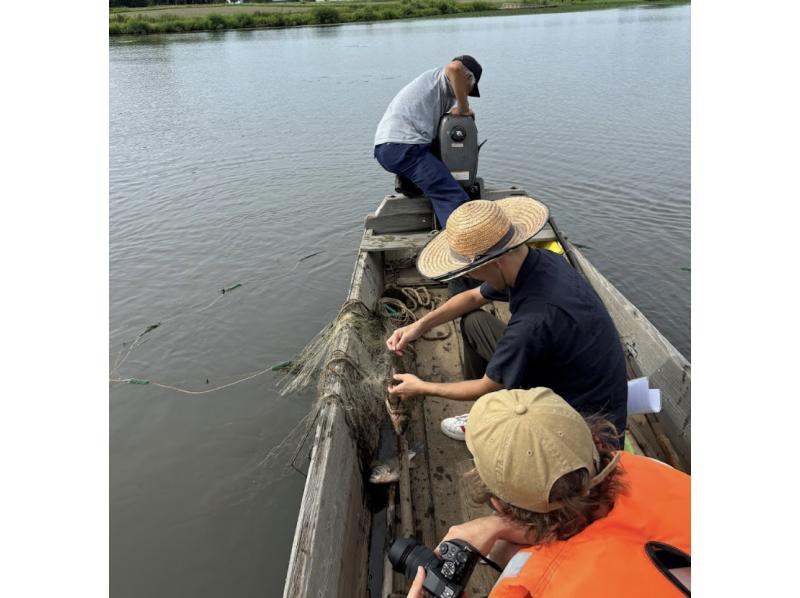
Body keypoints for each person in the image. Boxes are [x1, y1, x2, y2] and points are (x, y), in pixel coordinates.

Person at [406, 388, 691, 598]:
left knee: (503, 550)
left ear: (500, 504)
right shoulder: (645, 467)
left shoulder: (529, 586)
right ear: (593, 442)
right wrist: (495, 525)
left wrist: (496, 526)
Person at [386, 197, 628, 443]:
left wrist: (422, 387)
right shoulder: (540, 261)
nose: (470, 275)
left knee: (498, 399)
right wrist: (418, 326)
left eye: (470, 270)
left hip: (586, 422)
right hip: (575, 372)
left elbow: (488, 386)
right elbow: (472, 297)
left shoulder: (532, 323)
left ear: (495, 262)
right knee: (474, 323)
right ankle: (486, 411)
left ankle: (492, 421)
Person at [374, 55, 483, 228]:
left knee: (443, 180)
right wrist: (464, 108)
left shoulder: (437, 90)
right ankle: (461, 247)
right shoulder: (442, 77)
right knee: (453, 197)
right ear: (467, 78)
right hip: (404, 147)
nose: (466, 93)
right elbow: (455, 68)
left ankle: (412, 184)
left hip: (393, 146)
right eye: (469, 88)